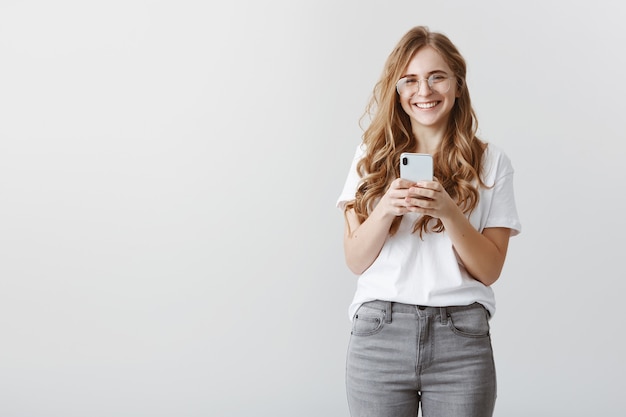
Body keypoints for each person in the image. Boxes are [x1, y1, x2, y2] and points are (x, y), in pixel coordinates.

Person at [336, 26, 522, 417]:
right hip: (378, 334)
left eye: (437, 76)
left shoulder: (492, 163)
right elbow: (355, 260)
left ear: (457, 84)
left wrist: (448, 211)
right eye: (411, 80)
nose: (424, 91)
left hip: (461, 340)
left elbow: (489, 270)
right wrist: (386, 207)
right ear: (398, 91)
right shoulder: (370, 158)